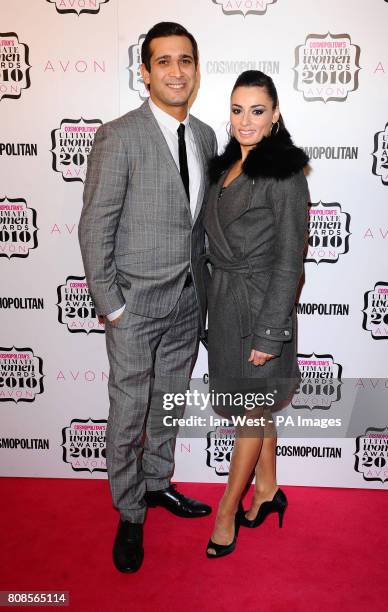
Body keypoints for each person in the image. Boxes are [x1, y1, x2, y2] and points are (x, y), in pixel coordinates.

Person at [78, 22, 217, 573]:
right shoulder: (119, 135)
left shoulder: (205, 136)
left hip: (188, 301)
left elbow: (200, 224)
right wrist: (112, 305)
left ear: (196, 70)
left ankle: (158, 484)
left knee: (168, 401)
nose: (177, 71)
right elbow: (95, 228)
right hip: (133, 305)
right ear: (145, 72)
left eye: (186, 61)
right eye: (164, 62)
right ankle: (130, 512)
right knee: (129, 410)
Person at [201, 70, 309, 558]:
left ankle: (228, 508)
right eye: (238, 109)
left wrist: (271, 332)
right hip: (225, 304)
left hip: (261, 305)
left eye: (257, 110)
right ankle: (267, 487)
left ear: (276, 114)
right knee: (256, 403)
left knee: (251, 407)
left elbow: (290, 260)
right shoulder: (223, 167)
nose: (246, 120)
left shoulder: (283, 174)